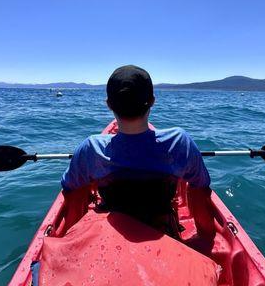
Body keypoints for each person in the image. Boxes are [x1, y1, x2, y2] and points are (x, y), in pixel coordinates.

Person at [59, 65, 216, 246]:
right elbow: (200, 190)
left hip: (109, 242)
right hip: (163, 238)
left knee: (77, 187)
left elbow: (71, 191)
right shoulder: (179, 142)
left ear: (109, 104)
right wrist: (205, 239)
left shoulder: (92, 149)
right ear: (152, 101)